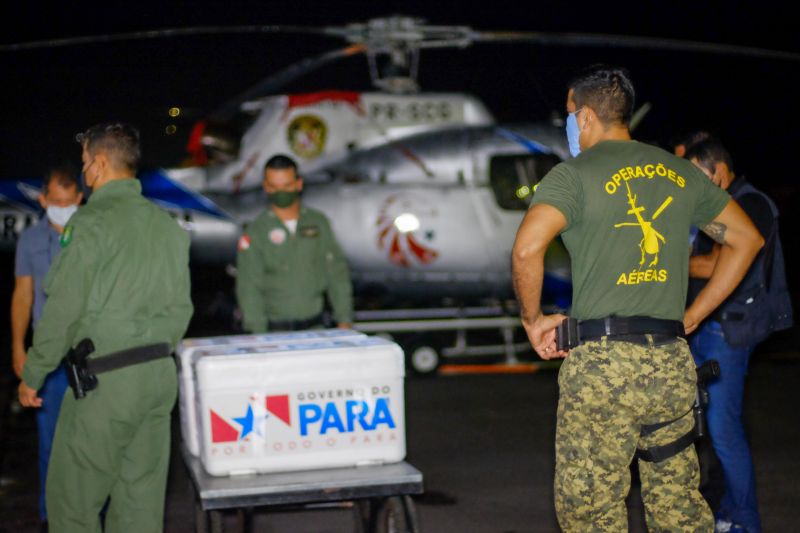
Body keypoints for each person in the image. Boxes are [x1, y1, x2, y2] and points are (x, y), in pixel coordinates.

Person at [511, 65, 764, 532]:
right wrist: (693, 315)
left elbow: (527, 248)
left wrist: (533, 320)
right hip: (670, 363)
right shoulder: (677, 172)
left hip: (602, 366)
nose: (569, 124)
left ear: (585, 117)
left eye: (569, 114)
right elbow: (746, 240)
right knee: (678, 506)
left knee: (592, 510)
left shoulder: (572, 176)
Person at [17, 122, 193, 532]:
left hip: (107, 383)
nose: (84, 172)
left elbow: (62, 309)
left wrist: (33, 373)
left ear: (98, 164)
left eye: (84, 164)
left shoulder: (90, 223)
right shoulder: (167, 226)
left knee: (72, 504)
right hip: (157, 379)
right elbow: (181, 308)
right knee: (139, 508)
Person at [685, 139, 792, 533]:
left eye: (697, 177)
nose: (692, 187)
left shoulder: (751, 205)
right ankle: (728, 511)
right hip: (707, 327)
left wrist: (662, 260)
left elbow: (715, 263)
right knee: (709, 427)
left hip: (728, 332)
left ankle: (746, 520)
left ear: (719, 171)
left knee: (724, 430)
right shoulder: (720, 206)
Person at [10, 163, 82, 526]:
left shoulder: (91, 235)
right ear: (42, 200)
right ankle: (50, 517)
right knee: (50, 443)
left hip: (89, 355)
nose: (64, 208)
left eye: (70, 202)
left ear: (80, 198)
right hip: (48, 359)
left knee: (90, 442)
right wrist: (18, 348)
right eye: (56, 201)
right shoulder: (31, 241)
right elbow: (22, 296)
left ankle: (94, 516)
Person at [236, 154, 353, 332]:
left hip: (316, 328)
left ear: (299, 184)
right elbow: (249, 287)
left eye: (287, 185)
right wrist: (257, 332)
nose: (281, 192)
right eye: (274, 186)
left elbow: (336, 273)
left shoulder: (318, 223)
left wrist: (344, 319)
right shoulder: (256, 231)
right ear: (266, 187)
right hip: (275, 332)